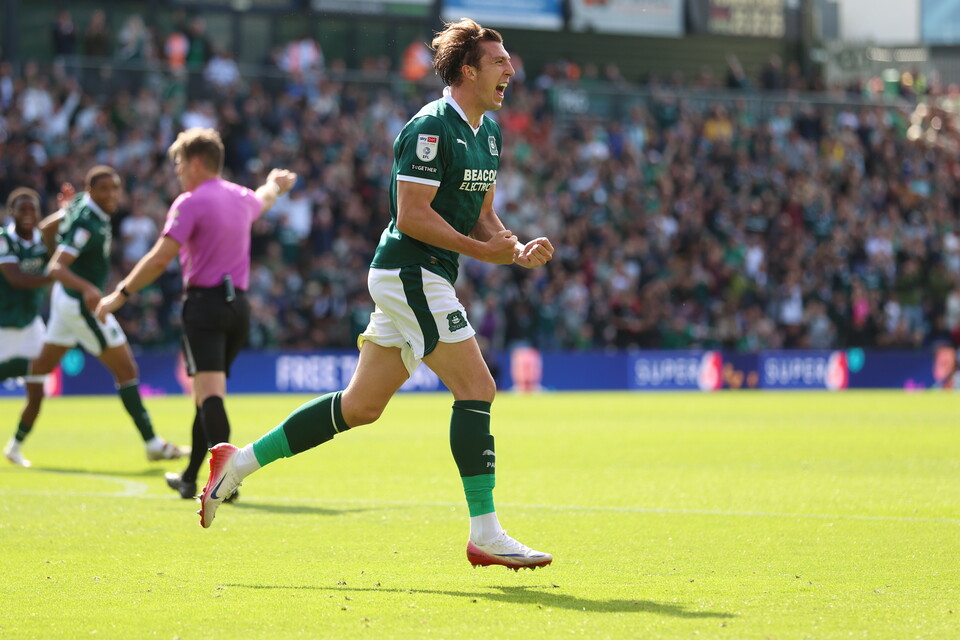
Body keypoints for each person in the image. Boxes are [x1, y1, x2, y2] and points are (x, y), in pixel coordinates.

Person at [194, 18, 555, 571]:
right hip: (410, 271)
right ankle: (485, 534)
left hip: (425, 275)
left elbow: (483, 211)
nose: (511, 68)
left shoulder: (488, 132)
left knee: (359, 407)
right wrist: (481, 252)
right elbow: (411, 216)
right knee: (477, 387)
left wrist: (513, 246)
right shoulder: (430, 128)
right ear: (467, 71)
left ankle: (235, 464)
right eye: (499, 60)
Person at [96, 129, 297, 500]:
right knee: (205, 396)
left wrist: (120, 294)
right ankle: (190, 477)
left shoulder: (190, 202)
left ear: (197, 162)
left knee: (210, 395)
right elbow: (265, 198)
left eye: (179, 163)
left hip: (205, 306)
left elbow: (160, 258)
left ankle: (226, 481)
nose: (176, 170)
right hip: (238, 308)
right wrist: (274, 183)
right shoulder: (241, 197)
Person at [18, 166, 185, 465]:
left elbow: (45, 230)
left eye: (115, 188)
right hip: (81, 305)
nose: (112, 194)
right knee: (126, 370)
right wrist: (87, 288)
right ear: (91, 191)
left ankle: (14, 444)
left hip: (66, 301)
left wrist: (65, 212)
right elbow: (56, 267)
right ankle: (153, 444)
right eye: (105, 189)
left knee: (40, 368)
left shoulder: (83, 206)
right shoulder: (86, 221)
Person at [1, 188, 56, 467]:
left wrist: (65, 212)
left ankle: (15, 447)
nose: (27, 214)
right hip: (3, 326)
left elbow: (62, 255)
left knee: (37, 392)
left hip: (31, 324)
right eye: (21, 209)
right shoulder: (3, 239)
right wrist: (54, 277)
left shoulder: (42, 241)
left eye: (32, 209)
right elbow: (16, 278)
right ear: (11, 212)